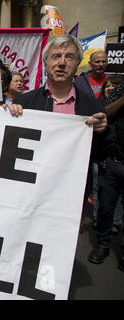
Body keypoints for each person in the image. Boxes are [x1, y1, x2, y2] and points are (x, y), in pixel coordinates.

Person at [6, 34, 111, 243]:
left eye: (69, 57)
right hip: (29, 193)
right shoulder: (24, 102)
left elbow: (101, 156)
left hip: (69, 195)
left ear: (78, 64)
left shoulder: (91, 106)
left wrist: (103, 132)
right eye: (56, 56)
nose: (61, 62)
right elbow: (6, 150)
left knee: (59, 247)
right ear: (46, 63)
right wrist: (8, 119)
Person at [88, 78, 124, 271]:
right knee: (105, 207)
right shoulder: (119, 91)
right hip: (112, 162)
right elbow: (104, 114)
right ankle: (103, 245)